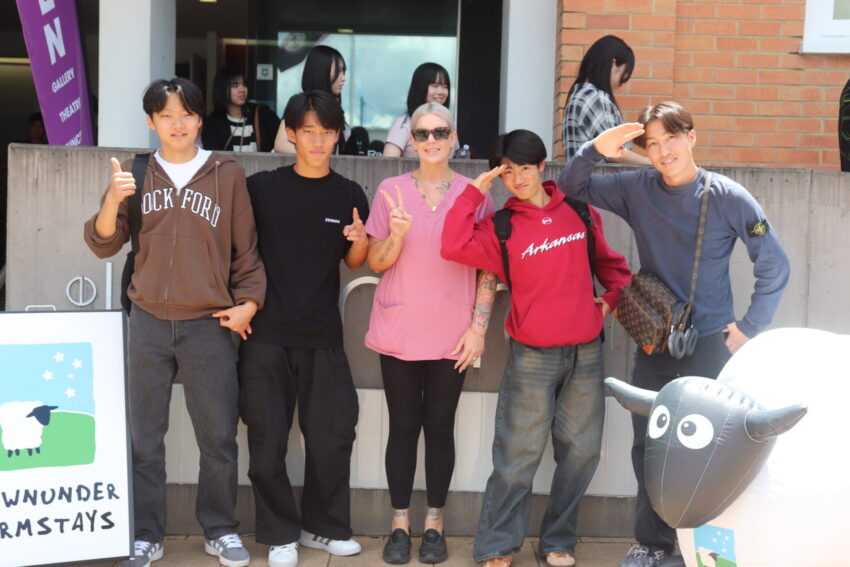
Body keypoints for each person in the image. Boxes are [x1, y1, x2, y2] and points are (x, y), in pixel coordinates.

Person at [557, 101, 791, 567]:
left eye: (671, 138)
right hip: (656, 342)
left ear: (691, 137)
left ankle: (703, 549)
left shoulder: (727, 196)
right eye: (652, 143)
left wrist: (747, 328)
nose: (663, 151)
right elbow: (570, 185)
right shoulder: (637, 187)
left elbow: (774, 265)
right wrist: (597, 148)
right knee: (650, 445)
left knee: (712, 451)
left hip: (709, 345)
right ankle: (652, 543)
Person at [83, 77, 266, 567]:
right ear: (151, 121)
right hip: (147, 320)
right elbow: (103, 242)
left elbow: (246, 251)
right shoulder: (137, 171)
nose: (177, 124)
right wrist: (112, 199)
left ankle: (220, 529)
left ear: (200, 119)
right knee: (145, 439)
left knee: (218, 438)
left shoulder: (226, 173)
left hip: (208, 323)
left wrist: (249, 303)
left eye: (186, 114)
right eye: (166, 115)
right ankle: (146, 534)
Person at [442, 129, 632, 567]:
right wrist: (474, 192)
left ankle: (559, 540)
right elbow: (452, 245)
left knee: (582, 452)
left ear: (541, 166)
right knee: (517, 455)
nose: (518, 179)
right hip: (532, 355)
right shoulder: (501, 227)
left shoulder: (580, 213)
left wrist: (609, 300)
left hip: (586, 351)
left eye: (525, 168)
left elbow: (613, 268)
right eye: (507, 172)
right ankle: (497, 546)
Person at [238, 89, 369, 567]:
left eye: (327, 132)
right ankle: (279, 535)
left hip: (322, 333)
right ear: (291, 134)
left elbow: (354, 261)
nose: (317, 140)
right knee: (266, 441)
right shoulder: (261, 188)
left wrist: (359, 239)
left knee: (333, 436)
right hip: (265, 334)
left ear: (337, 136)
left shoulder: (350, 194)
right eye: (308, 130)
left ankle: (324, 527)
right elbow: (238, 252)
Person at [364, 101, 497, 565]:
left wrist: (479, 327)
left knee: (440, 427)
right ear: (411, 140)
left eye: (440, 131)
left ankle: (435, 524)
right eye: (421, 133)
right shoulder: (390, 191)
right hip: (399, 326)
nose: (431, 140)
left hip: (453, 330)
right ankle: (399, 524)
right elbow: (374, 261)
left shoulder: (474, 194)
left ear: (454, 136)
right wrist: (397, 236)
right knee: (403, 426)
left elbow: (489, 268)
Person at [562, 35, 650, 165]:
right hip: (598, 177)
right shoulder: (594, 97)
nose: (621, 83)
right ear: (613, 65)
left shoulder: (579, 94)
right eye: (624, 75)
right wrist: (652, 163)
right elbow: (614, 152)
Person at [273, 45, 350, 154]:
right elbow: (281, 144)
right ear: (321, 70)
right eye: (338, 70)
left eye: (343, 71)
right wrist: (315, 155)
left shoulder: (335, 108)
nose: (343, 78)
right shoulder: (301, 103)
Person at [383, 63, 459, 158]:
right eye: (435, 86)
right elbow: (388, 162)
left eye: (445, 87)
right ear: (420, 88)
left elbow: (457, 159)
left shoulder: (449, 123)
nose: (441, 92)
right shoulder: (404, 123)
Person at [202, 67, 280, 152]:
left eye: (244, 85)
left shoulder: (263, 114)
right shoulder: (213, 123)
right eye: (235, 86)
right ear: (223, 89)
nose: (242, 90)